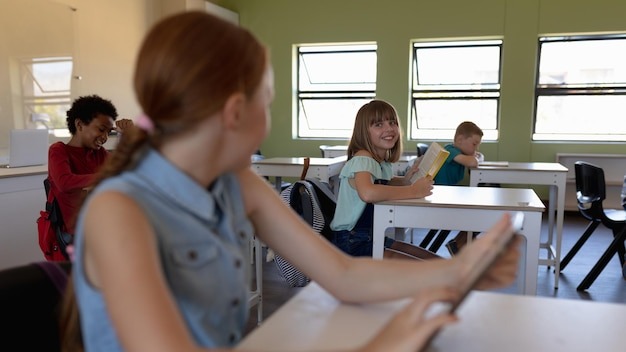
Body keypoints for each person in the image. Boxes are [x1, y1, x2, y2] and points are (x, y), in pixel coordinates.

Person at [60, 11, 521, 352]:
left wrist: (458, 271)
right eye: (270, 102)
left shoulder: (233, 181)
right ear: (235, 112)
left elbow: (342, 273)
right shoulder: (118, 212)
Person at [330, 99, 440, 260]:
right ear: (363, 132)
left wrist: (406, 180)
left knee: (432, 260)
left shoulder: (380, 163)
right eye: (379, 124)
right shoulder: (363, 159)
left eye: (392, 122)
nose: (389, 128)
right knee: (425, 268)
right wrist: (412, 190)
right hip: (351, 241)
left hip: (369, 236)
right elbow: (368, 193)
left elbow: (382, 182)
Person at [47, 94, 133, 235]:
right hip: (81, 231)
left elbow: (123, 168)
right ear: (79, 124)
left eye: (108, 132)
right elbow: (64, 182)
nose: (105, 137)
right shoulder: (59, 150)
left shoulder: (99, 153)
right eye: (101, 129)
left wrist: (127, 136)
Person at [432, 121, 484, 255]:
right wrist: (475, 158)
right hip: (440, 196)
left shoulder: (459, 152)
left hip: (449, 194)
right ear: (460, 139)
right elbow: (473, 162)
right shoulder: (450, 150)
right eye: (474, 144)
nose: (476, 148)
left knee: (481, 210)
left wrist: (475, 157)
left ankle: (459, 243)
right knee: (479, 212)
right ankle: (459, 245)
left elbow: (474, 160)